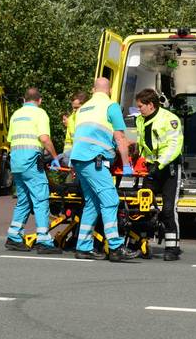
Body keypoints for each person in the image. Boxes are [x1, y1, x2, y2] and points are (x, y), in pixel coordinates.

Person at [70, 78, 138, 262]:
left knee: (92, 203)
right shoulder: (111, 106)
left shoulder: (83, 108)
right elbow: (120, 138)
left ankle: (83, 247)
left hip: (78, 159)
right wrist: (126, 165)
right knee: (110, 200)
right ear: (109, 91)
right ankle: (116, 247)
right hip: (95, 160)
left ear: (94, 90)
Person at [4, 87, 62, 254]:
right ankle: (44, 240)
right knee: (41, 198)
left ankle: (14, 236)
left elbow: (11, 140)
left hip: (16, 162)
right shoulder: (40, 113)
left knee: (24, 200)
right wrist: (55, 157)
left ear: (24, 99)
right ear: (40, 100)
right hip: (31, 162)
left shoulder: (16, 115)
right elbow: (44, 138)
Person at [135, 88, 184, 261]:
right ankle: (141, 242)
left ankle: (173, 247)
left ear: (151, 105)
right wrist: (140, 161)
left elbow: (174, 146)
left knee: (169, 209)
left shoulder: (169, 119)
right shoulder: (141, 120)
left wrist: (159, 164)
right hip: (151, 167)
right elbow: (143, 143)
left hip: (168, 169)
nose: (138, 109)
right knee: (144, 206)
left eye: (141, 106)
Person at [62, 91, 88, 162]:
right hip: (74, 156)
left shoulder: (90, 119)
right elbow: (68, 141)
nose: (74, 110)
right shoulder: (71, 119)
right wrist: (66, 157)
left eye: (77, 108)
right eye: (73, 107)